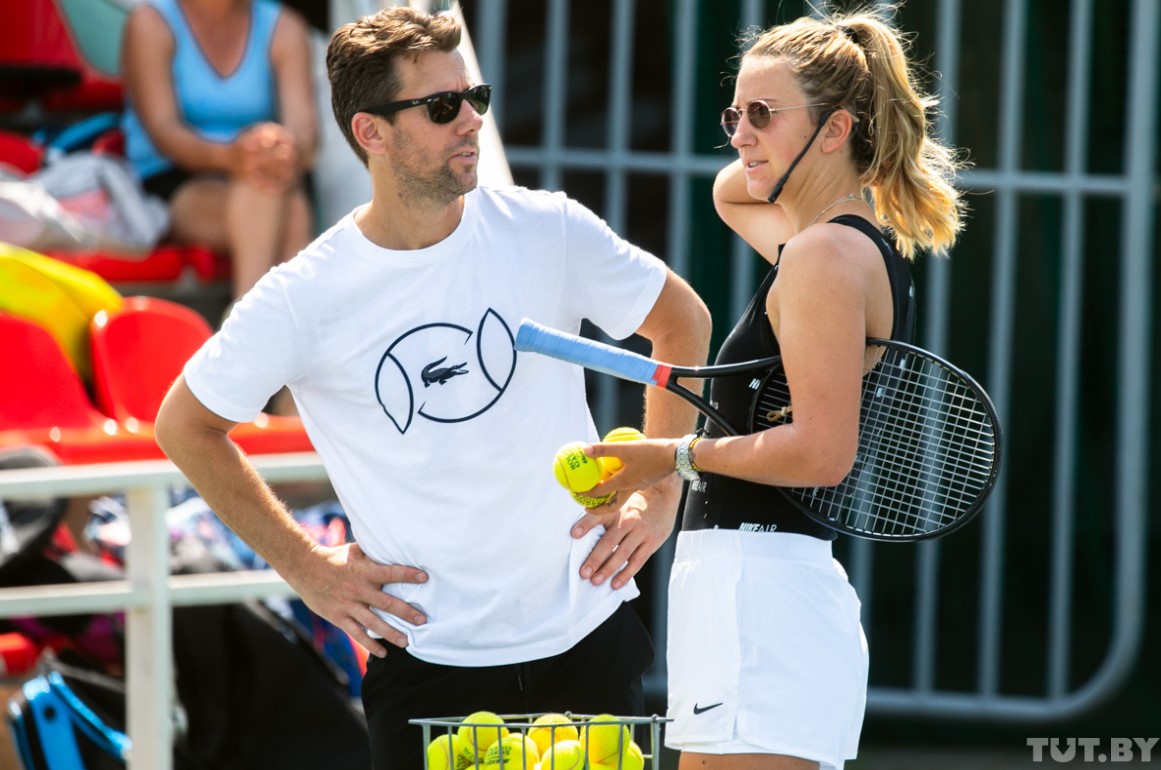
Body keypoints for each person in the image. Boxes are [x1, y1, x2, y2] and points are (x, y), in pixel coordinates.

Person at [153, 6, 711, 769]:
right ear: (369, 132)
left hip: (589, 639)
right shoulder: (303, 293)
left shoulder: (546, 227)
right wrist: (304, 568)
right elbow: (184, 425)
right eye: (442, 106)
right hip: (424, 667)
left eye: (474, 98)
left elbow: (681, 321)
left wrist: (661, 490)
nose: (470, 123)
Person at [581, 9, 967, 770]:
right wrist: (789, 143)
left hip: (758, 604)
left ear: (834, 129)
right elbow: (733, 191)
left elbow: (822, 453)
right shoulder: (828, 239)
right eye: (733, 112)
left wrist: (672, 456)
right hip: (750, 601)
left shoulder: (824, 254)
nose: (738, 134)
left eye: (761, 114)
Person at [119, 0, 318, 302]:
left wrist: (281, 148)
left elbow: (305, 132)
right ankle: (258, 323)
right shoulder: (151, 23)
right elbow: (164, 132)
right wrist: (231, 157)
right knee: (285, 203)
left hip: (261, 178)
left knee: (273, 190)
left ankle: (244, 323)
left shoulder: (285, 26)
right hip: (172, 182)